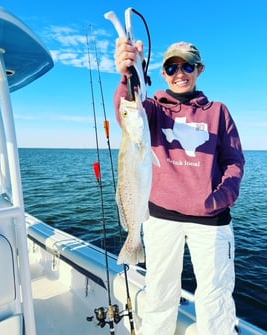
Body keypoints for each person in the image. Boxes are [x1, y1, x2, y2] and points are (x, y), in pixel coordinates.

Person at [114, 36, 245, 335]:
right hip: (160, 217)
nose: (180, 73)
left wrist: (221, 197)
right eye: (172, 68)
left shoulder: (218, 111)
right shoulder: (153, 110)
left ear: (200, 70)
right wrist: (127, 72)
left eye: (187, 66)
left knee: (215, 295)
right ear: (163, 74)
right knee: (159, 291)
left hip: (211, 220)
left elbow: (235, 161)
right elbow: (128, 111)